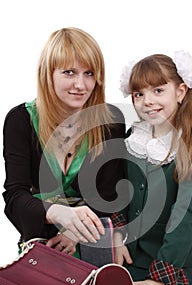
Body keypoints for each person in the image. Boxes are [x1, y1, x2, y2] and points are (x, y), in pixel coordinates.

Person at [115, 51, 192, 285]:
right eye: (139, 93)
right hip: (132, 254)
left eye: (158, 90)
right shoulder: (132, 140)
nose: (148, 100)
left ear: (181, 91)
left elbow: (185, 218)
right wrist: (117, 235)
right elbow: (119, 194)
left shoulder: (189, 147)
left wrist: (159, 279)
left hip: (174, 260)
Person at [3, 27, 127, 258]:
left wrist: (73, 233)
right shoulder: (21, 120)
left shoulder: (110, 121)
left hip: (95, 242)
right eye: (69, 72)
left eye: (89, 73)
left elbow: (111, 194)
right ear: (48, 73)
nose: (81, 85)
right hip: (41, 243)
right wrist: (55, 212)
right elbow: (14, 197)